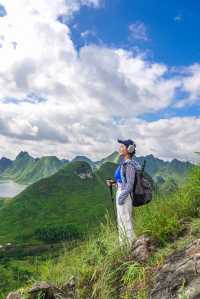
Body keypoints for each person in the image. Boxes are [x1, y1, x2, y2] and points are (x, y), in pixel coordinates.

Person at [106, 139, 141, 248]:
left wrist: (121, 197)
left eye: (122, 146)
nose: (119, 148)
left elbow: (130, 185)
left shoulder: (129, 165)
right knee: (122, 221)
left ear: (129, 149)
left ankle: (131, 246)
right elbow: (123, 180)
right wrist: (114, 182)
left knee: (126, 220)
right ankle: (125, 246)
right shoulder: (124, 164)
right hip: (121, 194)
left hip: (124, 197)